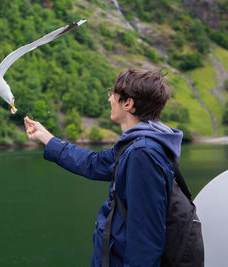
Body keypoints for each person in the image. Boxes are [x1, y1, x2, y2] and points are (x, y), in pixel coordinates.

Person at [23, 68, 183, 267]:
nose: (109, 100)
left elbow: (146, 241)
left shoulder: (143, 154)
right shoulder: (138, 146)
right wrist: (46, 137)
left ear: (128, 103)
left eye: (113, 94)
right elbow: (94, 163)